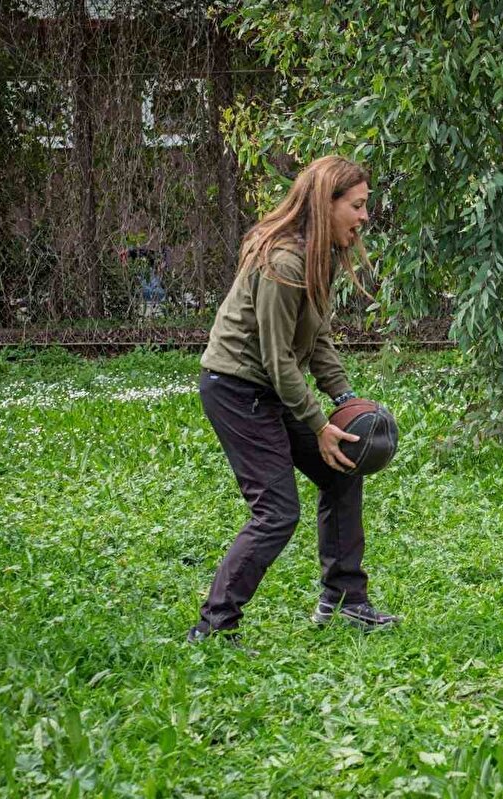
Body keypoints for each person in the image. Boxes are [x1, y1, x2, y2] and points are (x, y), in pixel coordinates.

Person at [187, 155, 398, 643]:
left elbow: (316, 338)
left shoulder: (319, 255)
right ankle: (214, 626)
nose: (365, 216)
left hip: (272, 386)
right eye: (357, 205)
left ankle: (345, 602)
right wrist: (319, 424)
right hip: (237, 390)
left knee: (342, 469)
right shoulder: (284, 261)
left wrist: (345, 399)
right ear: (327, 204)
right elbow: (277, 357)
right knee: (277, 513)